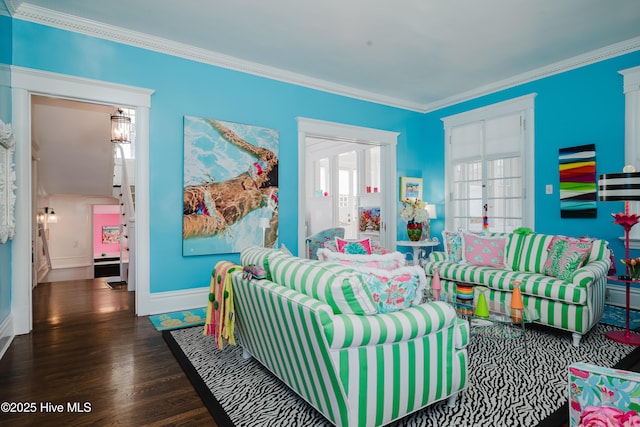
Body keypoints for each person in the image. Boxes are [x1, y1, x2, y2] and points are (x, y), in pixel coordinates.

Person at [183, 119, 278, 247]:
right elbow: (234, 138)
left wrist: (266, 255)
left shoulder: (278, 195)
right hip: (205, 193)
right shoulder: (268, 158)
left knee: (181, 228)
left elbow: (272, 228)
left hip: (217, 219)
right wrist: (212, 122)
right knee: (176, 203)